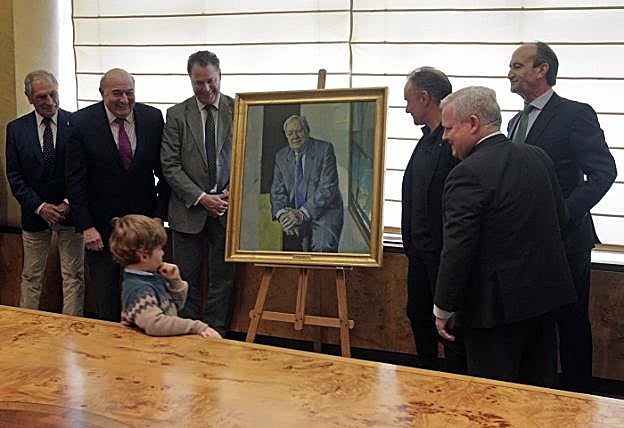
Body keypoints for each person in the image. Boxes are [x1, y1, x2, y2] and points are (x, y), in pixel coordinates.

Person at [433, 86, 577, 387]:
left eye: (448, 128)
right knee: (538, 393)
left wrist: (443, 307)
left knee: (494, 397)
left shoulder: (466, 173)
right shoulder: (538, 157)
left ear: (473, 123)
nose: (444, 137)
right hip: (543, 300)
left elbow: (458, 249)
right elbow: (561, 219)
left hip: (493, 310)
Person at [507, 42, 617, 392]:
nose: (509, 73)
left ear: (542, 69)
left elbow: (603, 172)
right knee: (532, 325)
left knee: (570, 324)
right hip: (524, 243)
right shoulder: (513, 122)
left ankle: (578, 398)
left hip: (565, 239)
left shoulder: (574, 114)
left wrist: (563, 214)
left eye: (517, 66)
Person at [66, 68, 169, 322]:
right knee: (107, 296)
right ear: (102, 93)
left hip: (144, 226)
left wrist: (158, 216)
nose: (124, 100)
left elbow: (165, 173)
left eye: (129, 93)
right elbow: (75, 181)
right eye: (117, 93)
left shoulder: (153, 118)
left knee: (148, 296)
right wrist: (86, 226)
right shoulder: (81, 123)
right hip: (101, 229)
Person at [160, 50, 235, 336]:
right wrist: (202, 198)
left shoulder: (240, 109)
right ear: (190, 80)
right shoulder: (176, 114)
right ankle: (190, 332)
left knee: (222, 279)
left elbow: (251, 157)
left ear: (220, 76)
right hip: (188, 211)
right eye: (198, 83)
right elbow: (169, 165)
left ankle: (216, 333)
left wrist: (232, 192)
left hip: (227, 210)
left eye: (210, 81)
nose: (205, 88)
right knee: (185, 278)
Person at [6, 70, 85, 316]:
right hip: (35, 214)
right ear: (29, 97)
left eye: (53, 94)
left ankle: (73, 326)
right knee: (31, 276)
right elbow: (15, 176)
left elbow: (85, 170)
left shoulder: (76, 123)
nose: (50, 101)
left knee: (73, 275)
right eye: (42, 97)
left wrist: (68, 202)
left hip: (70, 213)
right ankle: (27, 325)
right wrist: (40, 207)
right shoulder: (16, 129)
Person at [401, 67, 464, 372]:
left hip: (444, 256)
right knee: (418, 314)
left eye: (409, 100)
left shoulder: (454, 145)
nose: (407, 108)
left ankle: (454, 386)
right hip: (419, 254)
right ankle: (424, 378)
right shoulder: (424, 141)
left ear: (425, 98)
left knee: (450, 328)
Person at [109, 214, 221, 338]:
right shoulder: (138, 288)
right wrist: (196, 326)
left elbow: (176, 305)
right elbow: (155, 324)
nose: (163, 253)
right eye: (160, 249)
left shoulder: (153, 277)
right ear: (144, 256)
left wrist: (175, 281)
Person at [270, 115, 343, 252]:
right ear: (286, 136)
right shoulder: (281, 156)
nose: (295, 137)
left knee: (322, 249)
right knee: (287, 251)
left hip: (324, 212)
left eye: (299, 131)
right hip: (293, 213)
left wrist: (302, 213)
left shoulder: (324, 150)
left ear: (307, 131)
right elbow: (277, 191)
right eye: (290, 133)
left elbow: (327, 189)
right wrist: (283, 216)